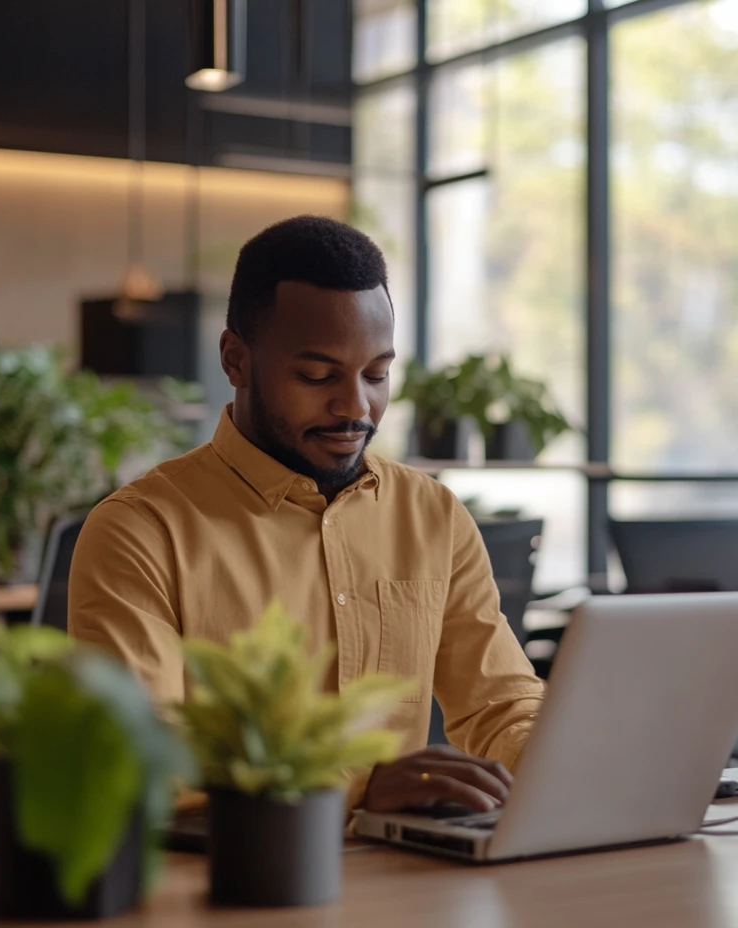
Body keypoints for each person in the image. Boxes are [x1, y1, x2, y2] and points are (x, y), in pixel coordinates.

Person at [68, 215, 545, 813]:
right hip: (224, 891)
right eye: (317, 375)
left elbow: (501, 706)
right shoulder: (140, 532)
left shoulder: (432, 516)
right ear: (236, 360)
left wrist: (568, 761)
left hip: (406, 886)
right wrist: (356, 793)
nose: (356, 406)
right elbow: (136, 765)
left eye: (376, 374)